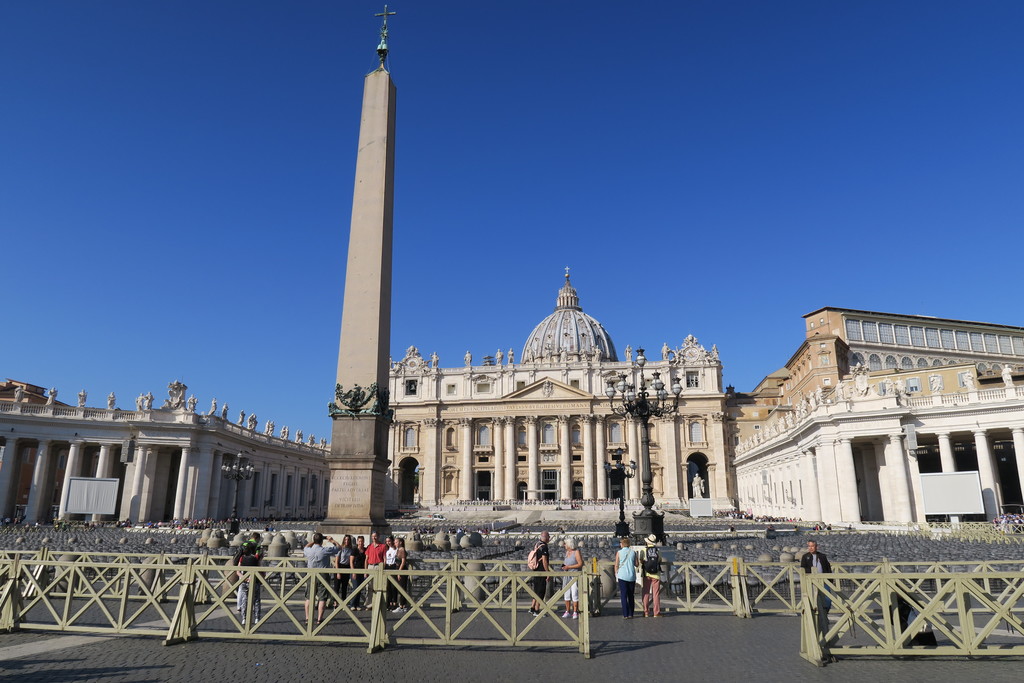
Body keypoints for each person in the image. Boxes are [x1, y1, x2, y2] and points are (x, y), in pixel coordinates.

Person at [303, 533, 340, 624]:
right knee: (322, 598)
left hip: (311, 575)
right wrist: (331, 540)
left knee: (308, 597)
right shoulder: (325, 550)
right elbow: (339, 547)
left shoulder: (309, 550)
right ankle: (319, 619)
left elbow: (305, 547)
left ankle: (308, 618)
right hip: (323, 575)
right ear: (322, 541)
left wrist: (313, 541)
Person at [800, 540, 832, 616]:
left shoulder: (822, 556)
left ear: (816, 547)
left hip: (823, 580)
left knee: (828, 599)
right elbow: (802, 569)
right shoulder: (805, 557)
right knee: (812, 599)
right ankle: (813, 614)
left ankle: (825, 613)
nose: (810, 548)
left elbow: (828, 568)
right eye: (809, 546)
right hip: (811, 581)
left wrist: (830, 580)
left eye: (812, 546)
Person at [235, 541, 262, 626]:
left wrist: (244, 578)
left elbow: (238, 571)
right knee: (256, 600)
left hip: (245, 582)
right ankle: (257, 618)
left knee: (244, 600)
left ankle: (244, 618)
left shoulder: (242, 558)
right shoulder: (256, 558)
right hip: (255, 581)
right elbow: (262, 570)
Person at [638, 534, 662, 617]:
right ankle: (656, 612)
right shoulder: (658, 550)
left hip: (646, 574)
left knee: (646, 593)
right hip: (656, 575)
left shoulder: (643, 551)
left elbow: (641, 560)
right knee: (656, 594)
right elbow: (659, 560)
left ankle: (646, 612)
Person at [614, 536, 638, 619]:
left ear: (623, 544)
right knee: (631, 595)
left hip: (622, 576)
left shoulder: (619, 553)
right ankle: (631, 613)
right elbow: (636, 564)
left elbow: (616, 564)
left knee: (623, 595)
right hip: (631, 576)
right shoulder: (633, 552)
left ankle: (625, 614)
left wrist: (616, 573)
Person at [528, 531, 551, 616]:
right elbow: (544, 560)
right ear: (545, 537)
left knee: (536, 589)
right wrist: (547, 572)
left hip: (536, 569)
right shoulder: (544, 547)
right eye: (548, 537)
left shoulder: (537, 544)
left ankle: (532, 607)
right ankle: (537, 610)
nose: (549, 538)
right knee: (541, 591)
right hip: (541, 570)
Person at [561, 537, 583, 619]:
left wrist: (569, 567)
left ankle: (575, 611)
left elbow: (580, 563)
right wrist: (564, 567)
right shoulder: (567, 552)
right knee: (566, 594)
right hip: (566, 575)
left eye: (565, 544)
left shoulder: (576, 552)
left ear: (569, 544)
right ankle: (567, 611)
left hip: (574, 575)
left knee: (574, 593)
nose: (564, 545)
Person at [331, 534, 354, 608]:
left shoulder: (351, 549)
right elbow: (336, 561)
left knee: (345, 586)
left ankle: (344, 601)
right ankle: (335, 602)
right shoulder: (341, 548)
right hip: (339, 566)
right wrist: (338, 572)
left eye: (348, 540)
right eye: (345, 539)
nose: (346, 541)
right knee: (337, 586)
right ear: (344, 540)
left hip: (346, 567)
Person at [349, 536, 367, 610]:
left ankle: (357, 604)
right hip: (355, 571)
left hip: (362, 571)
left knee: (360, 588)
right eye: (359, 541)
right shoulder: (354, 550)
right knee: (355, 587)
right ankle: (352, 604)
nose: (360, 543)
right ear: (357, 542)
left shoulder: (365, 550)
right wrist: (353, 572)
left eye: (362, 541)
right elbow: (351, 561)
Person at [393, 537, 410, 613]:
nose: (395, 543)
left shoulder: (402, 550)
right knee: (400, 588)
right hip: (399, 570)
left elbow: (403, 562)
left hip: (402, 571)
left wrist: (399, 572)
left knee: (402, 588)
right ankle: (402, 605)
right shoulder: (398, 550)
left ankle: (402, 606)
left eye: (396, 542)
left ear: (400, 542)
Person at [384, 536, 399, 610]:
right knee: (388, 586)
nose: (388, 543)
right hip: (387, 566)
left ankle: (394, 602)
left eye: (389, 541)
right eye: (387, 541)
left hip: (393, 566)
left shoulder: (397, 549)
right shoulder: (387, 550)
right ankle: (389, 602)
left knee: (394, 586)